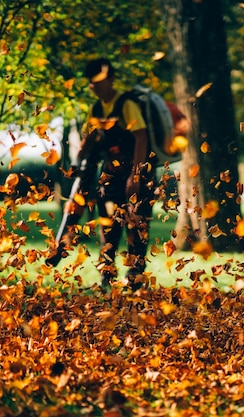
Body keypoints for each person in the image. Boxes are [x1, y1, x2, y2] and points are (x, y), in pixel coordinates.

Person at [47, 58, 156, 290]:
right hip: (111, 177)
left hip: (137, 175)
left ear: (111, 79)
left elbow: (141, 138)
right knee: (109, 227)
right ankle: (106, 275)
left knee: (135, 226)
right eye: (92, 82)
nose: (94, 86)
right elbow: (89, 139)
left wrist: (135, 177)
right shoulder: (96, 109)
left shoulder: (126, 104)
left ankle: (135, 277)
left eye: (99, 81)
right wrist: (77, 163)